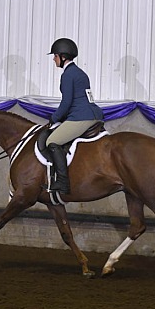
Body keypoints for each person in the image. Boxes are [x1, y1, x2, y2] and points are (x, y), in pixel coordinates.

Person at [45, 38, 104, 194]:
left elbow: (66, 103)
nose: (53, 59)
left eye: (55, 55)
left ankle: (63, 183)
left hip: (81, 117)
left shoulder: (68, 75)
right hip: (94, 114)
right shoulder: (80, 73)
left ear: (62, 56)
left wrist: (54, 118)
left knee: (52, 140)